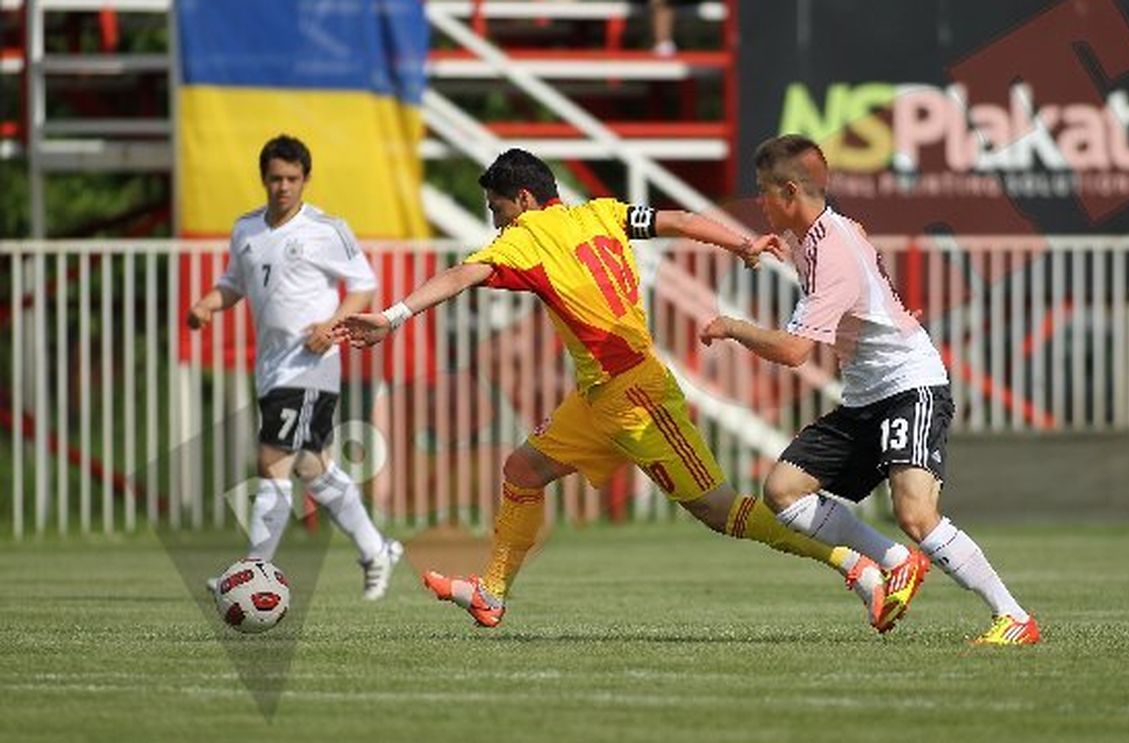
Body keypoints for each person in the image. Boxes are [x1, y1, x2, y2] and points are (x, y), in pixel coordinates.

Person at [334, 148, 912, 630]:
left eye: (497, 209)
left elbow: (462, 274)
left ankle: (854, 566)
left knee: (717, 509)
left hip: (637, 397)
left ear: (525, 200)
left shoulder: (527, 237)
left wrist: (391, 316)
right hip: (598, 397)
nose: (497, 223)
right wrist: (739, 244)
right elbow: (677, 221)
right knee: (523, 471)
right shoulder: (600, 213)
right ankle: (492, 593)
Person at [700, 134, 1041, 645]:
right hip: (867, 396)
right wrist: (761, 247)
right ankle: (897, 562)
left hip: (909, 385)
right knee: (784, 491)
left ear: (790, 192)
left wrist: (732, 326)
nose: (759, 202)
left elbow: (794, 352)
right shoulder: (825, 231)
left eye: (763, 191)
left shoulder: (831, 253)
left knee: (916, 515)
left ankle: (1013, 616)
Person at [189, 134, 404, 601]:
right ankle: (376, 549)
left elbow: (363, 286)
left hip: (311, 365)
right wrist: (208, 304)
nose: (283, 187)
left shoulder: (327, 229)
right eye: (275, 178)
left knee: (272, 461)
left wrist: (331, 325)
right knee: (314, 468)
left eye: (291, 178)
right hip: (271, 367)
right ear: (263, 179)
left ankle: (252, 570)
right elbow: (234, 283)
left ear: (305, 179)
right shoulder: (246, 229)